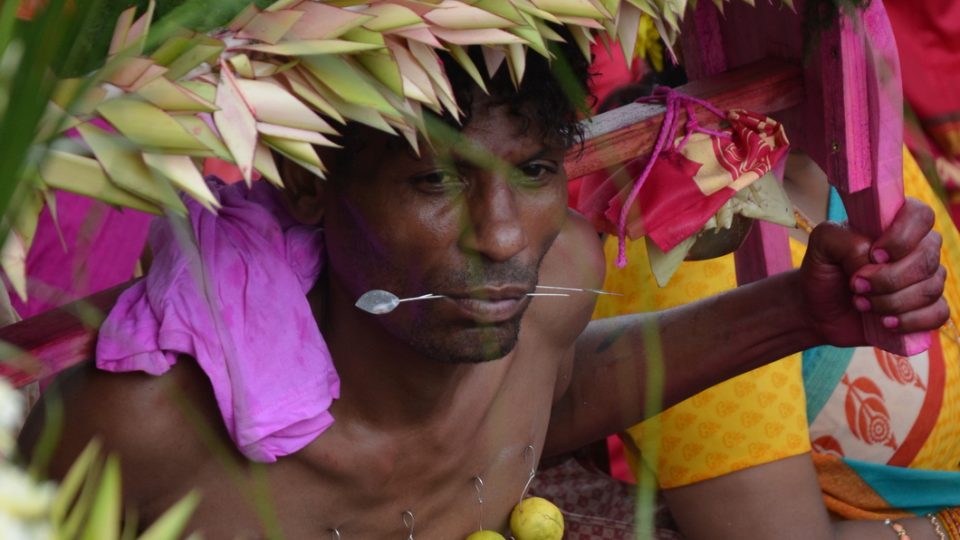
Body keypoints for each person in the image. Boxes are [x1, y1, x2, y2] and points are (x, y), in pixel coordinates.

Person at [17, 43, 948, 539]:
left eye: (535, 170)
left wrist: (797, 315)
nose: (503, 236)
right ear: (308, 187)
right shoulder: (143, 426)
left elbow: (558, 393)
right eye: (435, 181)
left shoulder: (561, 278)